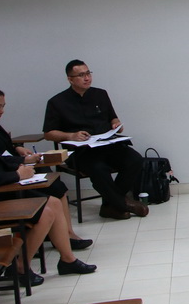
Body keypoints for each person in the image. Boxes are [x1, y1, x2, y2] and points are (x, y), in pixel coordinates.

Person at [0, 92, 97, 285]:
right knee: (45, 211)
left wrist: (22, 163)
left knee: (53, 201)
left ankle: (67, 259)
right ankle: (20, 266)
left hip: (0, 190)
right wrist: (17, 175)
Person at [0, 85, 92, 250]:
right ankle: (64, 235)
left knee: (55, 183)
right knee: (54, 189)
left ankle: (66, 233)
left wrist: (17, 149)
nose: (1, 111)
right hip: (8, 175)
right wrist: (23, 160)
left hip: (15, 166)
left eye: (3, 107)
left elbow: (5, 146)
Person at [43, 60, 147, 220]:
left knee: (135, 160)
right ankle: (123, 204)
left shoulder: (100, 94)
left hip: (107, 145)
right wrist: (70, 136)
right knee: (98, 169)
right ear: (70, 79)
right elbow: (49, 133)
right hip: (81, 152)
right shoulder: (57, 102)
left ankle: (110, 205)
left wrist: (116, 124)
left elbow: (113, 118)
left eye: (88, 73)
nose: (87, 78)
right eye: (81, 75)